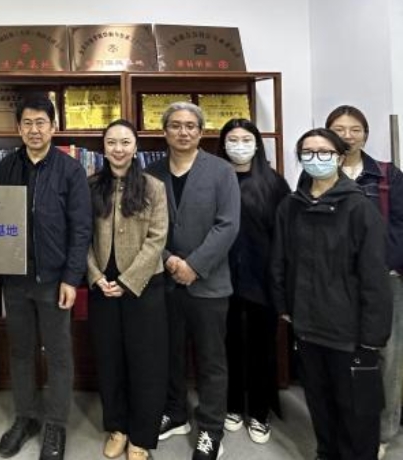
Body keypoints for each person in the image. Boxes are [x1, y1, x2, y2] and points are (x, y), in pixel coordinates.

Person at [271, 128, 391, 460]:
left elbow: (374, 278)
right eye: (307, 152)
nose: (316, 159)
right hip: (307, 326)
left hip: (348, 331)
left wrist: (372, 337)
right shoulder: (290, 206)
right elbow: (279, 260)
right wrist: (283, 306)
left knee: (356, 413)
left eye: (324, 152)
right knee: (320, 405)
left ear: (339, 158)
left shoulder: (359, 208)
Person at [0, 96, 92, 460]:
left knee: (58, 353)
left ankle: (55, 424)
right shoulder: (6, 166)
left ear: (53, 127)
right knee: (20, 351)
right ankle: (26, 417)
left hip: (54, 280)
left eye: (41, 123)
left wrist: (71, 278)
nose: (34, 130)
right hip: (16, 278)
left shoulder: (71, 170)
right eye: (27, 123)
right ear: (18, 128)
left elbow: (81, 229)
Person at [146, 102, 240, 460]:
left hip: (209, 284)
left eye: (190, 126)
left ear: (201, 132)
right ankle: (176, 412)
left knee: (211, 360)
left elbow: (228, 225)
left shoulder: (221, 171)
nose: (183, 132)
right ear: (165, 131)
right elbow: (145, 226)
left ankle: (211, 429)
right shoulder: (151, 172)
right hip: (164, 280)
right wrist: (169, 259)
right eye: (175, 125)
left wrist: (195, 266)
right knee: (169, 354)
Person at [87, 119, 169, 460]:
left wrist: (128, 281)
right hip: (102, 285)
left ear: (135, 148)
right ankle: (117, 427)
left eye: (125, 142)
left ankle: (141, 435)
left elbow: (157, 239)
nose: (118, 149)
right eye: (111, 143)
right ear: (103, 148)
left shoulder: (154, 187)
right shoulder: (91, 185)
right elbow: (81, 236)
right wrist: (95, 276)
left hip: (143, 284)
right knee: (109, 360)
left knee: (146, 362)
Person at [325, 105, 403, 459]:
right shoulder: (318, 171)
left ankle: (384, 431)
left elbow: (400, 225)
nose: (347, 135)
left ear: (366, 135)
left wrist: (387, 265)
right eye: (339, 129)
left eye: (355, 129)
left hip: (383, 279)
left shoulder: (386, 175)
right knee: (341, 354)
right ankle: (348, 426)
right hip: (335, 281)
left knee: (387, 356)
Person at [215, 119, 290, 445]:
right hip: (220, 278)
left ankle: (259, 412)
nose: (240, 145)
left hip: (262, 280)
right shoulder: (215, 179)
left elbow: (285, 236)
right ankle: (232, 406)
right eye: (233, 139)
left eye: (246, 139)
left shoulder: (274, 183)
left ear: (257, 144)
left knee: (262, 348)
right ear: (223, 144)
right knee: (227, 346)